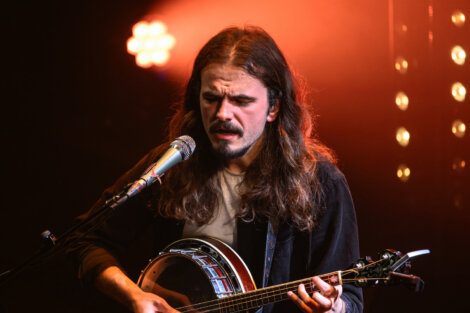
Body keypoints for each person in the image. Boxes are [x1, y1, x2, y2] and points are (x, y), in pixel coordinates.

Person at [69, 26, 362, 313]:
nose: (223, 113)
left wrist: (334, 306)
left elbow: (349, 298)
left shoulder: (319, 181)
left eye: (240, 101)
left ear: (273, 108)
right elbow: (85, 240)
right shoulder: (173, 164)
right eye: (211, 98)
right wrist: (135, 296)